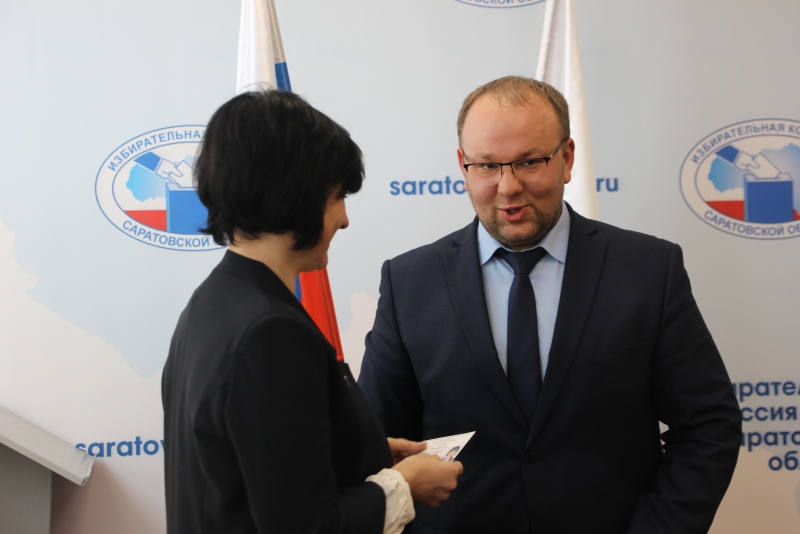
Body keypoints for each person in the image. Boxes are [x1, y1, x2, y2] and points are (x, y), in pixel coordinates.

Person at [358, 76, 742, 533]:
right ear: (463, 165)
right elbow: (374, 444)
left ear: (567, 158)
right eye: (487, 166)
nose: (508, 187)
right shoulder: (408, 282)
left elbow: (708, 426)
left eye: (529, 162)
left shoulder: (648, 270)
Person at [161, 90, 462, 534]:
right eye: (337, 196)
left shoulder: (210, 303)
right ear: (297, 195)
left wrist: (367, 453)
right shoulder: (270, 332)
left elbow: (259, 466)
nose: (344, 219)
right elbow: (307, 525)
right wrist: (404, 485)